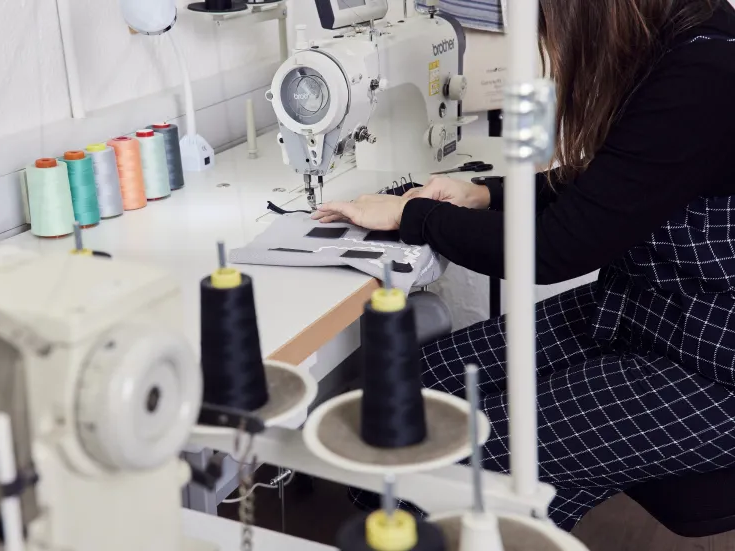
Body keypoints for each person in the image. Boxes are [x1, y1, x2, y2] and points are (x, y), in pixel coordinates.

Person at [313, 0, 735, 531]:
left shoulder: (707, 67)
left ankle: (464, 529)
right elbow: (620, 184)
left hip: (712, 361)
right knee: (417, 383)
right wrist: (481, 194)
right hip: (643, 308)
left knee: (451, 461)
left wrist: (410, 213)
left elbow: (558, 248)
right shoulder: (677, 33)